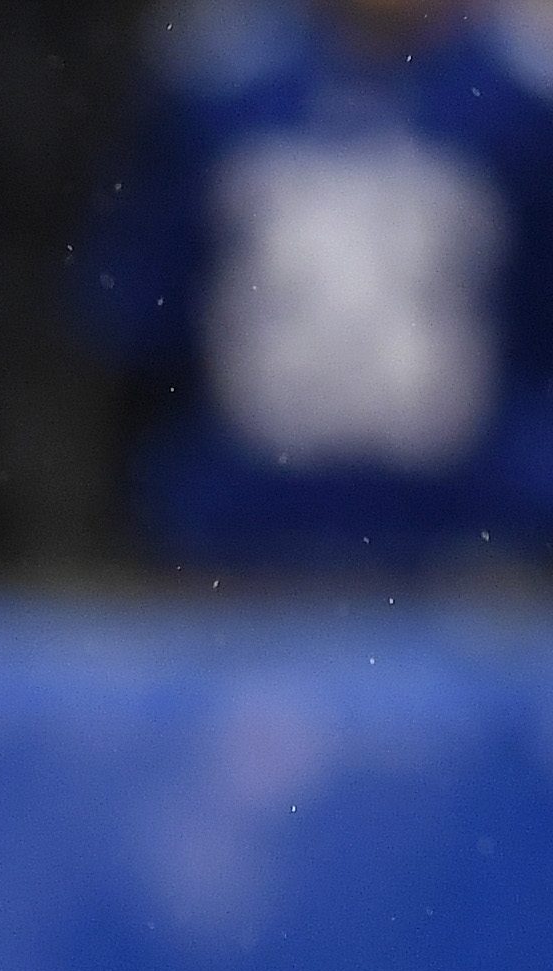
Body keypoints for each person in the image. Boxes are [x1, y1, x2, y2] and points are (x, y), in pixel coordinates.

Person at [81, 0, 553, 568]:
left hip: (479, 523)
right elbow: (139, 303)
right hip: (236, 521)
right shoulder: (223, 80)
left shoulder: (521, 96)